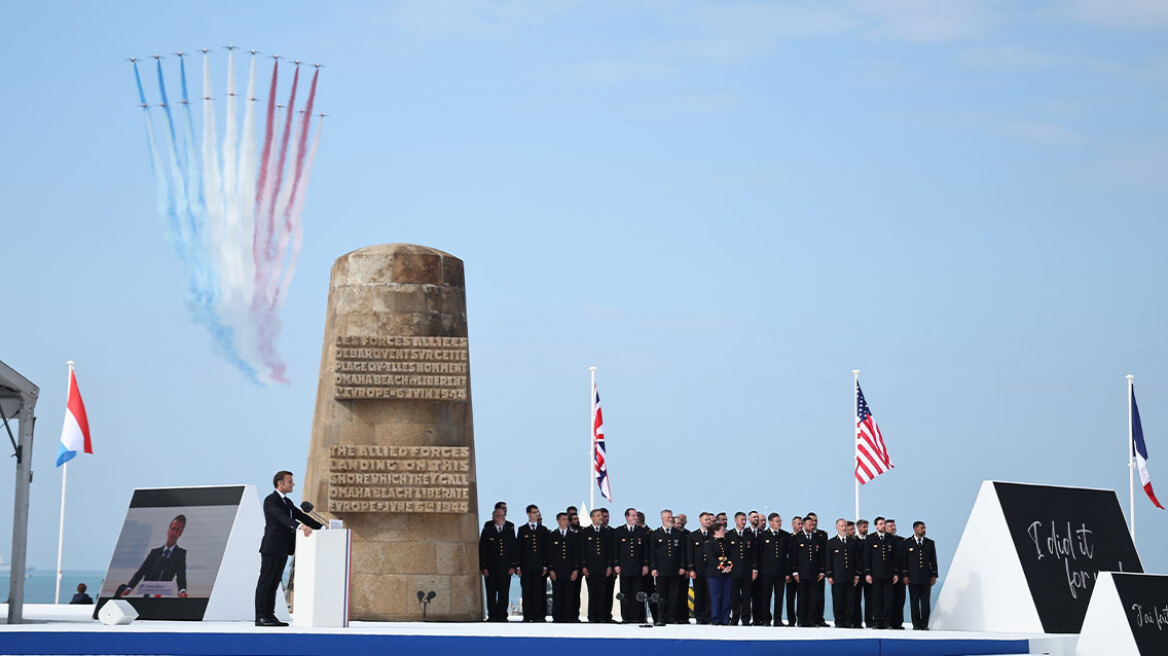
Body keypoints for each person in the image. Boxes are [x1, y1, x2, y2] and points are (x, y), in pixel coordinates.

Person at [255, 471, 321, 627]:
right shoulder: (270, 500)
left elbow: (301, 515)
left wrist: (323, 528)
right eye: (290, 481)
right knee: (266, 582)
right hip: (272, 547)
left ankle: (270, 616)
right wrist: (299, 526)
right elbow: (281, 518)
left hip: (284, 548)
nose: (293, 484)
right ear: (280, 483)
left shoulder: (288, 502)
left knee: (274, 583)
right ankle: (261, 617)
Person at [123, 514, 189, 599]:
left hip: (162, 597)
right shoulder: (154, 552)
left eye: (178, 530)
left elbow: (181, 575)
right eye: (173, 529)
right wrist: (129, 588)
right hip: (146, 595)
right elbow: (141, 572)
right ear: (168, 530)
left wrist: (182, 591)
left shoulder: (180, 554)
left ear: (181, 533)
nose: (174, 533)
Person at [479, 507, 517, 622]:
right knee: (491, 593)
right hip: (491, 569)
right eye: (499, 516)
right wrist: (483, 567)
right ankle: (492, 615)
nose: (502, 518)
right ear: (494, 518)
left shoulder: (509, 530)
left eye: (503, 516)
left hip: (505, 568)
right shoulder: (487, 530)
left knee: (504, 593)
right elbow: (483, 550)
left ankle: (502, 615)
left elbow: (513, 549)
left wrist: (512, 565)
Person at [612, 507, 650, 623]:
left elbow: (646, 550)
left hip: (638, 568)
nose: (635, 518)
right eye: (633, 515)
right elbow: (615, 550)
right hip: (624, 568)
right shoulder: (619, 531)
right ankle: (626, 616)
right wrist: (616, 564)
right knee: (625, 593)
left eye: (636, 516)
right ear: (627, 517)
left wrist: (645, 565)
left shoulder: (642, 532)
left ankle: (637, 616)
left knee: (638, 592)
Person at [649, 509, 685, 625]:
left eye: (671, 517)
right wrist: (653, 567)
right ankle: (661, 616)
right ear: (663, 519)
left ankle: (672, 616)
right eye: (668, 517)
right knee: (661, 594)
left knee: (674, 594)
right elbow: (652, 552)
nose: (671, 519)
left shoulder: (678, 534)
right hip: (661, 570)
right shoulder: (656, 534)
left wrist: (682, 566)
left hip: (674, 570)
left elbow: (682, 553)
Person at [754, 512, 790, 626]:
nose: (779, 523)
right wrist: (757, 570)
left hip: (780, 571)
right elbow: (758, 554)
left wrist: (788, 572)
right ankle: (765, 619)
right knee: (766, 596)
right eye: (777, 521)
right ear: (770, 522)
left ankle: (777, 619)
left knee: (779, 597)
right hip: (766, 572)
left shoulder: (785, 535)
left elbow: (788, 555)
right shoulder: (763, 536)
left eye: (780, 521)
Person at [790, 513, 825, 627]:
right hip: (801, 573)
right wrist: (794, 571)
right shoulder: (797, 538)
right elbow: (793, 556)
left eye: (813, 524)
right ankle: (801, 620)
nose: (812, 526)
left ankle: (811, 620)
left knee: (813, 599)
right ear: (804, 525)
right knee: (802, 598)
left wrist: (821, 571)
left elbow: (821, 556)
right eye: (810, 524)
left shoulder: (817, 538)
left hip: (814, 573)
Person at [516, 504, 549, 622]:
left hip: (539, 566)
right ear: (528, 514)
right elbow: (519, 549)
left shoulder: (543, 530)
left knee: (539, 592)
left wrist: (545, 565)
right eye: (534, 512)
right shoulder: (522, 530)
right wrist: (518, 566)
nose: (536, 515)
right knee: (527, 591)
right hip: (526, 566)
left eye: (537, 512)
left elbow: (546, 549)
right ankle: (527, 615)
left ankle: (538, 615)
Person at [826, 518, 861, 628]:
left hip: (850, 577)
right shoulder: (831, 543)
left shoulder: (853, 542)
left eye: (845, 526)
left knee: (849, 601)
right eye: (841, 526)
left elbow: (857, 560)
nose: (844, 528)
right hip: (837, 577)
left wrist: (857, 575)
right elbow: (828, 560)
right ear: (836, 527)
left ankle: (848, 621)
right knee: (838, 600)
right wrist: (829, 575)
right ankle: (839, 621)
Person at [903, 521, 938, 630]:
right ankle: (916, 624)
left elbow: (933, 560)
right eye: (922, 528)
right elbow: (904, 561)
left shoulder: (929, 543)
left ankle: (924, 624)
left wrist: (934, 575)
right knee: (914, 602)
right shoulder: (907, 543)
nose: (924, 530)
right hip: (913, 578)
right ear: (915, 529)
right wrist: (905, 575)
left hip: (925, 578)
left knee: (925, 602)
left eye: (924, 528)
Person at [581, 508, 614, 623]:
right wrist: (584, 566)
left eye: (601, 515)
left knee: (603, 593)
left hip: (603, 567)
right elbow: (583, 550)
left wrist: (610, 565)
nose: (601, 517)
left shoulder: (607, 532)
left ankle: (602, 615)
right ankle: (592, 615)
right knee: (593, 592)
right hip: (591, 568)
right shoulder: (585, 532)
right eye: (598, 515)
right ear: (592, 517)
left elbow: (610, 550)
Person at [864, 516, 897, 630]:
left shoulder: (890, 538)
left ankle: (887, 621)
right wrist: (867, 573)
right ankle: (877, 621)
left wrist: (896, 573)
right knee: (876, 599)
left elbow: (894, 558)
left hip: (888, 574)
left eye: (884, 524)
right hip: (875, 574)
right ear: (876, 526)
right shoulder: (870, 538)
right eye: (880, 524)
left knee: (888, 599)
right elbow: (867, 557)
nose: (882, 526)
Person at [547, 512, 581, 623]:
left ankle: (568, 616)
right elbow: (549, 555)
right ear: (558, 521)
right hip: (557, 571)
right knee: (557, 594)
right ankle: (557, 616)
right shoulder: (552, 536)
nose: (566, 521)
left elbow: (577, 554)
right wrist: (551, 569)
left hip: (570, 570)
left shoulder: (574, 536)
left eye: (567, 519)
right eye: (563, 519)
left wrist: (576, 569)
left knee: (569, 595)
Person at [726, 512, 754, 625]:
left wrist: (754, 569)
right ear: (736, 520)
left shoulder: (750, 535)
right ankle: (735, 617)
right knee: (734, 597)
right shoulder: (729, 535)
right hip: (734, 571)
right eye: (742, 520)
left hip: (747, 571)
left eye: (745, 520)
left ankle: (746, 618)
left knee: (747, 597)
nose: (744, 522)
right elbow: (726, 553)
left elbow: (754, 553)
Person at [703, 522, 734, 625]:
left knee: (726, 597)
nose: (724, 532)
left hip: (727, 574)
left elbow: (731, 555)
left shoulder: (726, 543)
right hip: (714, 574)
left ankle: (725, 618)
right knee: (716, 596)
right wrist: (722, 568)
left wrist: (729, 566)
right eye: (722, 530)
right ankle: (715, 618)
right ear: (715, 531)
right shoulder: (709, 543)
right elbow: (711, 559)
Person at [686, 512, 714, 624]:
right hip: (698, 570)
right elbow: (690, 553)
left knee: (709, 594)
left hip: (711, 570)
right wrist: (691, 569)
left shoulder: (713, 535)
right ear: (700, 521)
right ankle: (699, 616)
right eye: (706, 520)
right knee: (699, 594)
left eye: (709, 520)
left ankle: (708, 615)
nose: (708, 522)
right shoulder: (693, 536)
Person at [805, 512, 829, 626]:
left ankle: (819, 618)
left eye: (815, 520)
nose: (814, 523)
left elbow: (824, 554)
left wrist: (823, 570)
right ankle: (810, 618)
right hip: (807, 572)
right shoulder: (802, 536)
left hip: (819, 571)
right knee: (809, 597)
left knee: (820, 597)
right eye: (812, 521)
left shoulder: (822, 535)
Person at [885, 518, 907, 630]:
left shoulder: (901, 541)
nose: (893, 528)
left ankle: (898, 622)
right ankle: (888, 622)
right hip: (888, 576)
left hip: (901, 575)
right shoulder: (884, 541)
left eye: (894, 526)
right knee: (888, 600)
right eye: (890, 526)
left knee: (900, 599)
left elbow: (905, 559)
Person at [599, 507, 617, 621]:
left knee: (608, 592)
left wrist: (613, 566)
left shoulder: (613, 532)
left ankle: (607, 614)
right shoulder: (592, 531)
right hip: (596, 568)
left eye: (607, 516)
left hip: (609, 568)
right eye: (604, 517)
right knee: (597, 593)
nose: (606, 519)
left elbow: (614, 550)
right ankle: (597, 615)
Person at [673, 513, 691, 624]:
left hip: (684, 569)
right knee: (674, 594)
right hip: (673, 570)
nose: (679, 525)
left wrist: (688, 568)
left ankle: (684, 616)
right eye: (677, 523)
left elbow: (687, 553)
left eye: (681, 522)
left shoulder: (688, 534)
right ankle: (674, 615)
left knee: (683, 593)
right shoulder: (672, 535)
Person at [853, 519, 872, 627]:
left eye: (867, 527)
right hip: (857, 575)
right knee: (856, 599)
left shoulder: (870, 540)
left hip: (869, 575)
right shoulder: (854, 541)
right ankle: (857, 622)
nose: (866, 529)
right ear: (859, 527)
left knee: (870, 600)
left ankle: (870, 621)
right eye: (864, 527)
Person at [785, 516, 802, 626]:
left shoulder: (804, 538)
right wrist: (787, 573)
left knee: (802, 599)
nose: (800, 526)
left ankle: (801, 619)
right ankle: (791, 620)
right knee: (790, 599)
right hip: (790, 574)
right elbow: (786, 557)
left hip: (802, 574)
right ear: (793, 525)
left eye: (801, 524)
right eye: (798, 524)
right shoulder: (788, 538)